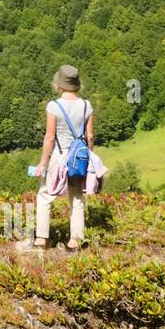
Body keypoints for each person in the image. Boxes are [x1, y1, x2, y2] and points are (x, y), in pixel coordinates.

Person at [30, 64, 94, 250]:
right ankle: (75, 240)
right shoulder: (86, 105)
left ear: (59, 85)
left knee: (45, 196)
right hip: (78, 158)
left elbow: (50, 137)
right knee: (77, 198)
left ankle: (41, 238)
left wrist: (43, 163)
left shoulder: (54, 106)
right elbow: (89, 136)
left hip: (59, 158)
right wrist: (88, 158)